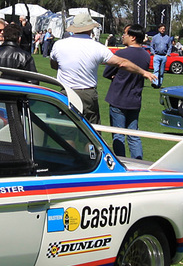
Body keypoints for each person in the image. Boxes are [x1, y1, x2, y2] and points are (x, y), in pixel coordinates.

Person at [50, 11, 154, 124]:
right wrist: (143, 72)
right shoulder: (97, 47)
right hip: (87, 94)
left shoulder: (59, 44)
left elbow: (54, 65)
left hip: (66, 92)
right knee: (92, 131)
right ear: (90, 29)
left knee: (67, 128)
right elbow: (122, 63)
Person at [105, 25, 152, 160]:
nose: (123, 36)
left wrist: (115, 76)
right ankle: (138, 161)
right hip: (134, 99)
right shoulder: (146, 55)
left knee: (118, 134)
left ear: (133, 37)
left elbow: (107, 72)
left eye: (125, 34)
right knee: (133, 134)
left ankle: (121, 162)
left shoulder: (121, 54)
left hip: (118, 98)